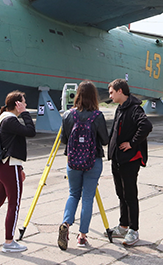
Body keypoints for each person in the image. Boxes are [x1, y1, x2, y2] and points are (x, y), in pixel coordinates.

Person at [0, 90, 36, 253]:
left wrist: (20, 167)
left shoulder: (2, 118)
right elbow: (31, 131)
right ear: (17, 104)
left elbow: (11, 144)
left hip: (2, 167)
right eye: (23, 102)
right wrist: (25, 113)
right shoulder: (10, 120)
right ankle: (9, 242)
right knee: (14, 205)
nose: (25, 104)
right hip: (10, 167)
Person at [58, 81, 109, 250]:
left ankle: (66, 223)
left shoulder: (68, 115)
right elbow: (104, 140)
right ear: (94, 96)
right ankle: (82, 236)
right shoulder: (97, 116)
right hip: (92, 161)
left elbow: (64, 140)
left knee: (73, 194)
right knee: (87, 198)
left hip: (73, 162)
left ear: (77, 94)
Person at [107, 79, 152, 247]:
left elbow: (146, 125)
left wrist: (132, 143)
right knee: (121, 194)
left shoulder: (134, 109)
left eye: (111, 92)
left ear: (120, 91)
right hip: (117, 159)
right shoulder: (120, 109)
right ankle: (123, 225)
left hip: (129, 160)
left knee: (130, 196)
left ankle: (134, 229)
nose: (110, 96)